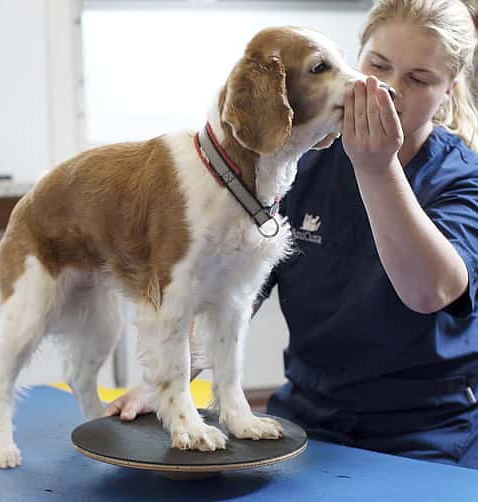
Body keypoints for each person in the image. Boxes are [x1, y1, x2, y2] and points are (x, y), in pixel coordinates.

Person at [105, 0, 478, 469]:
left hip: (422, 433)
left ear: (450, 90)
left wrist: (375, 167)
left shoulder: (461, 178)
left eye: (419, 79)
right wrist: (167, 382)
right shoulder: (299, 164)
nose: (387, 88)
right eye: (378, 65)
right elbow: (232, 283)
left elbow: (432, 291)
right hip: (310, 417)